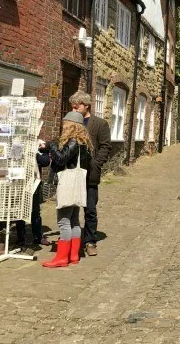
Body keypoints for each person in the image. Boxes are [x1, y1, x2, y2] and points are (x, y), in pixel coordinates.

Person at [40, 111, 93, 268]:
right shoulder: (84, 144)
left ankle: (62, 258)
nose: (63, 126)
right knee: (74, 220)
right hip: (78, 186)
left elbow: (61, 158)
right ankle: (74, 255)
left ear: (71, 125)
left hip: (68, 185)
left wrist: (52, 145)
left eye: (65, 124)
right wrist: (48, 148)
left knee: (63, 222)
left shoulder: (73, 142)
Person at [69, 91, 111, 257]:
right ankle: (72, 239)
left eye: (76, 105)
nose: (74, 108)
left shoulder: (99, 124)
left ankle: (90, 241)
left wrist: (96, 163)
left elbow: (106, 147)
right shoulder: (71, 121)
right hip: (72, 171)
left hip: (90, 173)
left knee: (90, 209)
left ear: (86, 105)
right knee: (71, 209)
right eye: (72, 105)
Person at [14, 152, 50, 248]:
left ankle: (38, 237)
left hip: (33, 184)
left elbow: (46, 161)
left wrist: (36, 154)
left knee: (35, 212)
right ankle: (20, 238)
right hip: (19, 183)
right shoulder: (18, 143)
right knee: (19, 212)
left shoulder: (37, 146)